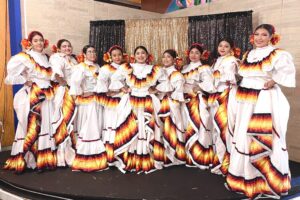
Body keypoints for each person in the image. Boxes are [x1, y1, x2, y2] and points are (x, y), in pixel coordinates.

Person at [226, 24, 295, 199]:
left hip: (263, 99)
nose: (259, 38)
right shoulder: (249, 54)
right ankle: (244, 178)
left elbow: (286, 72)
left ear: (271, 36)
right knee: (243, 135)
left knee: (262, 135)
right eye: (256, 34)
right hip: (245, 99)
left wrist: (274, 80)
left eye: (264, 34)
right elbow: (245, 74)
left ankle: (265, 180)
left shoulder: (277, 53)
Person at [4, 31, 56, 173]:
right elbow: (10, 77)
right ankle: (28, 159)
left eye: (41, 40)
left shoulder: (47, 58)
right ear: (30, 43)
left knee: (46, 126)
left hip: (47, 96)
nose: (39, 43)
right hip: (33, 96)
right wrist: (25, 81)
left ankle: (43, 160)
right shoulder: (25, 57)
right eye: (36, 40)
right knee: (32, 126)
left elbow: (52, 77)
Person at [109, 46, 162, 173]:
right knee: (130, 127)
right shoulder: (127, 67)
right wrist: (123, 88)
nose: (140, 55)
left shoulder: (154, 69)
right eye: (138, 53)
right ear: (134, 55)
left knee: (145, 129)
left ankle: (144, 156)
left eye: (143, 53)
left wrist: (154, 89)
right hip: (131, 100)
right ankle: (130, 157)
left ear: (147, 55)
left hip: (147, 101)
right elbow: (114, 79)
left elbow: (165, 82)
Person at [69, 45, 108, 172]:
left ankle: (97, 155)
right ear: (84, 54)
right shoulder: (80, 67)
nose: (92, 53)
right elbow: (74, 83)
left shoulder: (98, 67)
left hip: (97, 100)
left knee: (97, 125)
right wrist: (82, 92)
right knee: (88, 126)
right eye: (89, 52)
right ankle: (87, 157)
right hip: (87, 102)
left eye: (94, 51)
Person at [181, 43, 217, 169]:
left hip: (197, 100)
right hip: (185, 101)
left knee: (199, 125)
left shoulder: (204, 68)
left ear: (202, 55)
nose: (194, 55)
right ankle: (188, 155)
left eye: (197, 53)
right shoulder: (184, 68)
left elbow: (209, 84)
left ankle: (199, 156)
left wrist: (198, 86)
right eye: (192, 52)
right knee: (186, 127)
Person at [208, 38, 240, 175]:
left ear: (231, 48)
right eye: (220, 45)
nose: (222, 48)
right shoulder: (217, 61)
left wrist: (215, 78)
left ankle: (228, 164)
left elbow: (230, 77)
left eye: (226, 46)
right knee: (217, 129)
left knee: (226, 130)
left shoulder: (232, 60)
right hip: (216, 96)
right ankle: (220, 160)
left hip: (226, 96)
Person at [155, 49, 186, 167]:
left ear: (174, 60)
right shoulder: (158, 71)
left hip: (171, 105)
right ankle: (162, 154)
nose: (166, 59)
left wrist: (167, 93)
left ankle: (173, 155)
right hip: (159, 103)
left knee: (171, 128)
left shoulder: (177, 74)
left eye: (168, 57)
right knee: (160, 129)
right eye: (164, 57)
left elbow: (177, 92)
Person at [49, 39, 78, 167]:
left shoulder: (73, 59)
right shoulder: (56, 57)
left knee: (70, 122)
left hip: (73, 92)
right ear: (59, 48)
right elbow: (56, 74)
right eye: (64, 46)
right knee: (63, 121)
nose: (67, 48)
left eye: (69, 46)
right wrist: (64, 84)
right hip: (64, 92)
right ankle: (62, 154)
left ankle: (69, 150)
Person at [99, 45, 126, 168]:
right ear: (110, 57)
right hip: (113, 101)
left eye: (119, 55)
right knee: (112, 125)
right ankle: (111, 155)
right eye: (114, 55)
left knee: (122, 126)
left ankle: (122, 153)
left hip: (125, 100)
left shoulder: (127, 67)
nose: (117, 57)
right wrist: (111, 92)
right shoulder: (105, 69)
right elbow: (102, 86)